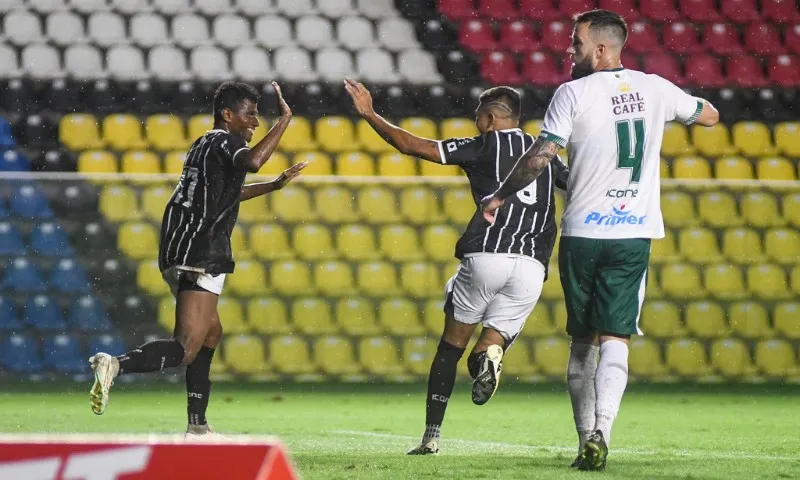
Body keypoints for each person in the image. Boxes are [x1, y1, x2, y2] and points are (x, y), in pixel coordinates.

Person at [480, 9, 720, 471]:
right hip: (632, 234)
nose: (569, 50)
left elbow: (541, 156)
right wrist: (686, 109)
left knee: (582, 341)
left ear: (602, 48)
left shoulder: (572, 92)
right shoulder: (655, 87)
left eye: (576, 43)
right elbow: (708, 115)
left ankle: (583, 442)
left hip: (583, 234)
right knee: (617, 336)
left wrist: (498, 197)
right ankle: (601, 432)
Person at [344, 78, 568, 455]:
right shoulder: (546, 154)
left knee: (450, 348)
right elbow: (578, 183)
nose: (476, 122)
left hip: (487, 255)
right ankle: (491, 356)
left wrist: (369, 113)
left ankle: (431, 436)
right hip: (532, 265)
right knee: (488, 344)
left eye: (479, 116)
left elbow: (411, 145)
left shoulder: (483, 145)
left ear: (492, 119)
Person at [88, 81, 307, 439]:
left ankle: (198, 426)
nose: (254, 121)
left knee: (210, 335)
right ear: (228, 114)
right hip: (200, 251)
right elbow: (253, 161)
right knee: (186, 348)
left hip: (182, 246)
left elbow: (227, 193)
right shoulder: (228, 141)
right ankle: (114, 365)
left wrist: (274, 185)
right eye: (249, 114)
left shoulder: (205, 144)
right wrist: (284, 120)